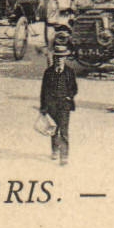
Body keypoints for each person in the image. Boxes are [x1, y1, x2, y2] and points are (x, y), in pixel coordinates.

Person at [40, 36, 78, 165]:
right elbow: (43, 91)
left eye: (61, 57)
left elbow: (74, 88)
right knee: (54, 130)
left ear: (65, 58)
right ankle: (55, 150)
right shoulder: (48, 72)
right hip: (51, 106)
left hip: (64, 105)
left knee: (64, 131)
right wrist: (43, 108)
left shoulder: (69, 72)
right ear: (54, 58)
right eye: (56, 57)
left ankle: (64, 155)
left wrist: (69, 96)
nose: (59, 60)